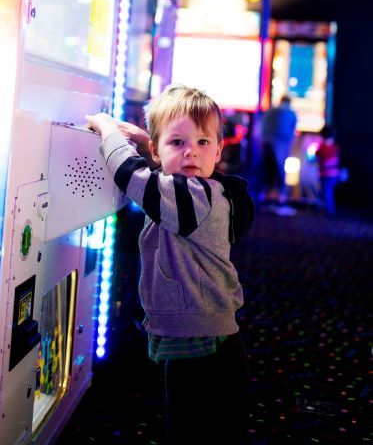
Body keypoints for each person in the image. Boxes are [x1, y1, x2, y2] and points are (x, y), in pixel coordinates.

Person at [86, 84, 254, 445]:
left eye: (203, 143)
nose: (192, 152)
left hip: (202, 343)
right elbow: (163, 173)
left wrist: (108, 130)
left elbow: (133, 177)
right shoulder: (203, 190)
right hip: (207, 337)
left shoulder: (196, 196)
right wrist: (150, 141)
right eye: (178, 143)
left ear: (219, 151)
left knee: (189, 430)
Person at [260, 95, 297, 206]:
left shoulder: (271, 111)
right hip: (280, 147)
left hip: (268, 145)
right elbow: (292, 131)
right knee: (279, 172)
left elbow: (263, 127)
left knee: (269, 172)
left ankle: (267, 197)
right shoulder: (290, 113)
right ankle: (280, 198)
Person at [315, 125, 341, 216]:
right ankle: (330, 209)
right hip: (335, 174)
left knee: (326, 193)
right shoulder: (335, 147)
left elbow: (315, 157)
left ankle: (329, 211)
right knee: (330, 192)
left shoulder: (321, 147)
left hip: (325, 175)